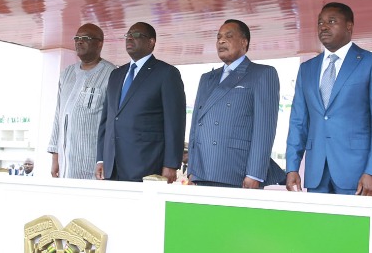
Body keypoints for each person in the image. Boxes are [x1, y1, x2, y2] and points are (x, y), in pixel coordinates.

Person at [285, 2, 372, 195]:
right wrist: (292, 167)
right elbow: (298, 122)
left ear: (349, 26)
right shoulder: (307, 69)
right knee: (317, 226)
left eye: (331, 21)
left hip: (357, 174)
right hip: (316, 172)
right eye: (320, 23)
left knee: (353, 225)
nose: (323, 27)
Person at [188, 19, 282, 188]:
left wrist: (255, 173)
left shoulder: (262, 74)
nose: (221, 41)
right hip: (201, 171)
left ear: (244, 42)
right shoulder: (207, 78)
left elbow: (264, 129)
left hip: (237, 171)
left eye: (228, 36)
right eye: (218, 37)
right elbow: (196, 126)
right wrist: (191, 170)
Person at [96, 22, 186, 182]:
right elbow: (107, 120)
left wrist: (171, 164)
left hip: (146, 165)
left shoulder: (166, 74)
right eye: (128, 35)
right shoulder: (116, 75)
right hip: (112, 166)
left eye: (137, 35)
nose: (130, 38)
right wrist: (101, 159)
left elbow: (175, 123)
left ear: (151, 42)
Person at [49, 23, 116, 179]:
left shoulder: (111, 74)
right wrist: (55, 157)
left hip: (93, 164)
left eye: (85, 38)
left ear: (100, 43)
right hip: (65, 163)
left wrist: (104, 160)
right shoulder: (67, 74)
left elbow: (112, 122)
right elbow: (58, 115)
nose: (79, 41)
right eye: (77, 38)